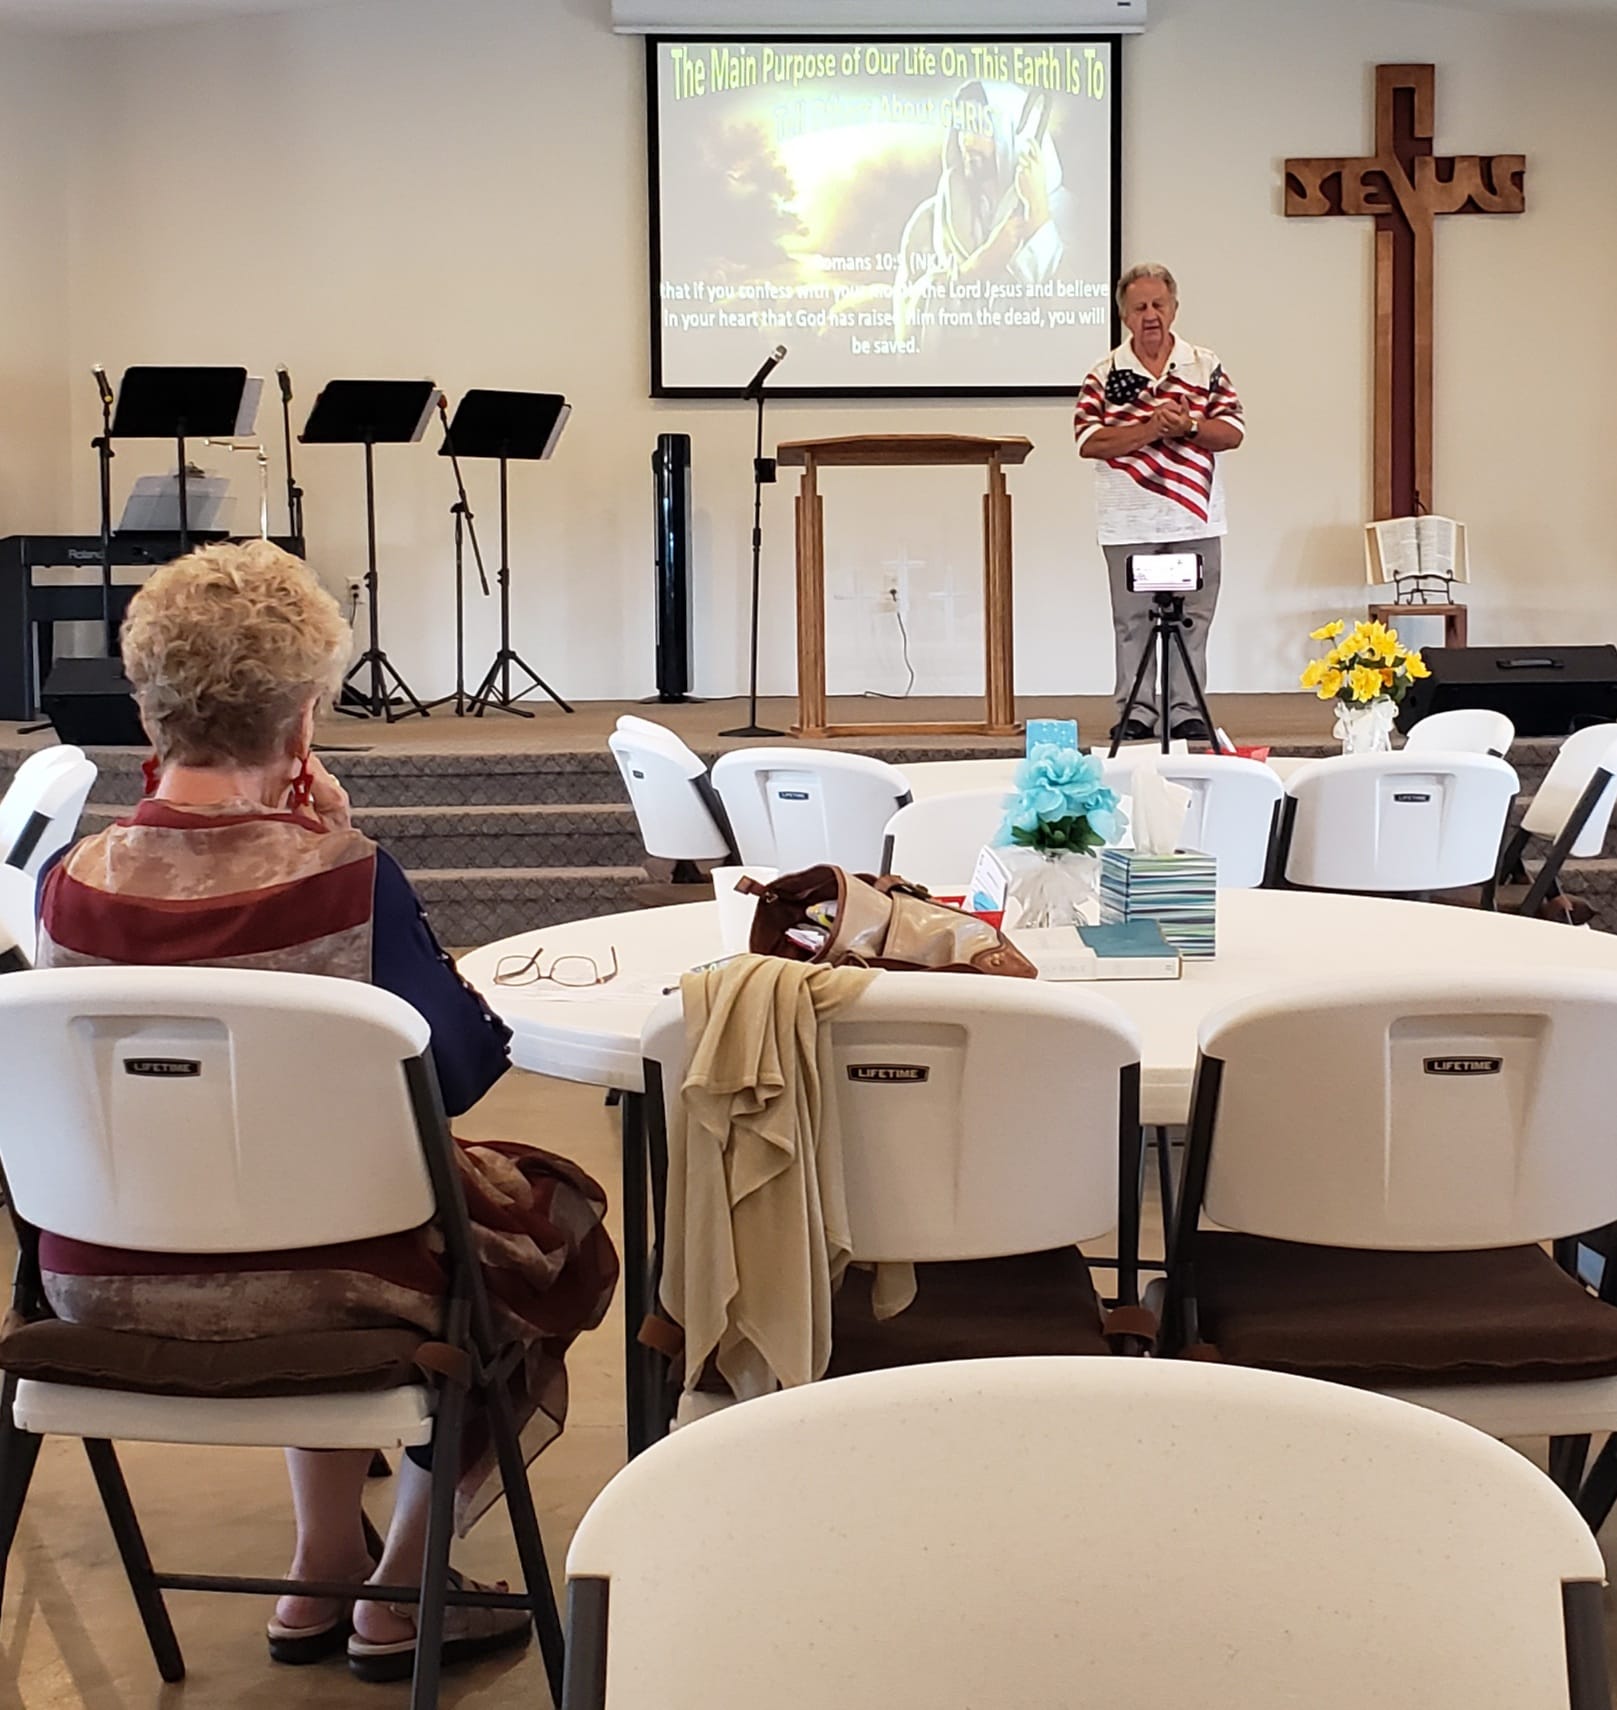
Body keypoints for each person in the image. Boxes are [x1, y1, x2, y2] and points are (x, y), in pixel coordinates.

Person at [33, 542, 618, 1682]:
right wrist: (336, 846)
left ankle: (322, 1562)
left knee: (286, 1192)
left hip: (97, 1279)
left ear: (147, 709)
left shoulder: (69, 882)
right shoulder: (346, 877)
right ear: (304, 719)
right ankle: (401, 1587)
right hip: (329, 1284)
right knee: (551, 1222)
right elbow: (457, 1072)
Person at [1075, 264, 1245, 742]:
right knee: (1132, 623)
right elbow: (1088, 440)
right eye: (1139, 307)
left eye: (1158, 305)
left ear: (1174, 308)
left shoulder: (1205, 365)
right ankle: (1136, 711)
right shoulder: (1103, 373)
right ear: (1124, 316)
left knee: (1193, 619)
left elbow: (1233, 431)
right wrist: (1150, 429)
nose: (1150, 315)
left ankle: (1186, 710)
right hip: (1127, 524)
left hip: (1195, 521)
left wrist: (1188, 426)